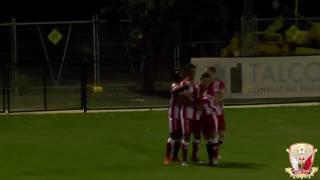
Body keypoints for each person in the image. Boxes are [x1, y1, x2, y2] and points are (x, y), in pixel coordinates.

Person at [164, 70, 188, 165]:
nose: (181, 76)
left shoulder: (182, 84)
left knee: (180, 135)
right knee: (173, 134)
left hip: (181, 113)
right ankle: (167, 157)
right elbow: (175, 91)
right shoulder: (175, 85)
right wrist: (185, 86)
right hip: (174, 113)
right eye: (179, 75)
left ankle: (175, 156)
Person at [179, 63, 201, 166]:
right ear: (188, 72)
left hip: (196, 114)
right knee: (187, 135)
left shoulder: (196, 83)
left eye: (194, 71)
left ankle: (194, 156)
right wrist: (194, 105)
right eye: (192, 71)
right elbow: (182, 99)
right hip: (187, 113)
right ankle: (184, 159)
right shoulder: (184, 84)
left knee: (197, 135)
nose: (193, 73)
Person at [206, 66, 226, 162]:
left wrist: (219, 99)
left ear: (213, 73)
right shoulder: (205, 84)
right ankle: (214, 154)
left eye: (208, 73)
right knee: (212, 134)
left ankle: (215, 151)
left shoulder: (219, 83)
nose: (207, 74)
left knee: (221, 134)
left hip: (219, 111)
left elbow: (222, 94)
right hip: (210, 112)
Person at [199, 72, 220, 166]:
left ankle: (215, 158)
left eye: (208, 81)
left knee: (213, 136)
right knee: (207, 138)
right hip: (203, 117)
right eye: (204, 80)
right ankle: (210, 159)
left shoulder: (211, 91)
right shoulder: (198, 89)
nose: (206, 82)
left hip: (211, 116)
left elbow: (203, 101)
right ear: (201, 80)